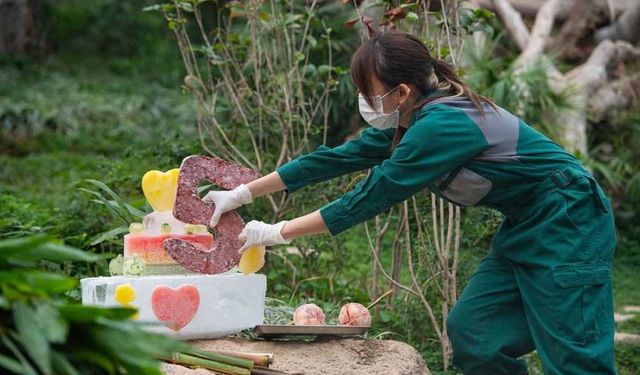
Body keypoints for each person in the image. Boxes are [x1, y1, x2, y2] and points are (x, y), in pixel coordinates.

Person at [203, 32, 617, 374]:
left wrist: (277, 232)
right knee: (476, 334)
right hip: (526, 225)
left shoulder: (443, 125)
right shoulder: (412, 123)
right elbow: (333, 158)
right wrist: (243, 193)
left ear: (402, 92)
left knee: (574, 355)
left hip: (569, 219)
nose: (365, 102)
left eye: (370, 92)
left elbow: (371, 196)